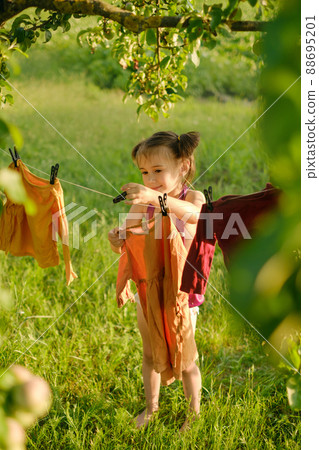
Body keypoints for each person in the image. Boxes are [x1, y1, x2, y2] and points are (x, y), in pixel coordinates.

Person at [108, 131, 205, 431]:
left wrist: (156, 198)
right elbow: (126, 237)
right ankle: (151, 408)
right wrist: (116, 238)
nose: (150, 180)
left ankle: (194, 413)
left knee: (185, 357)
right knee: (149, 351)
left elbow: (193, 215)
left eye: (158, 171)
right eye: (145, 173)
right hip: (148, 288)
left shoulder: (191, 197)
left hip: (180, 293)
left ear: (184, 166)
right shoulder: (144, 205)